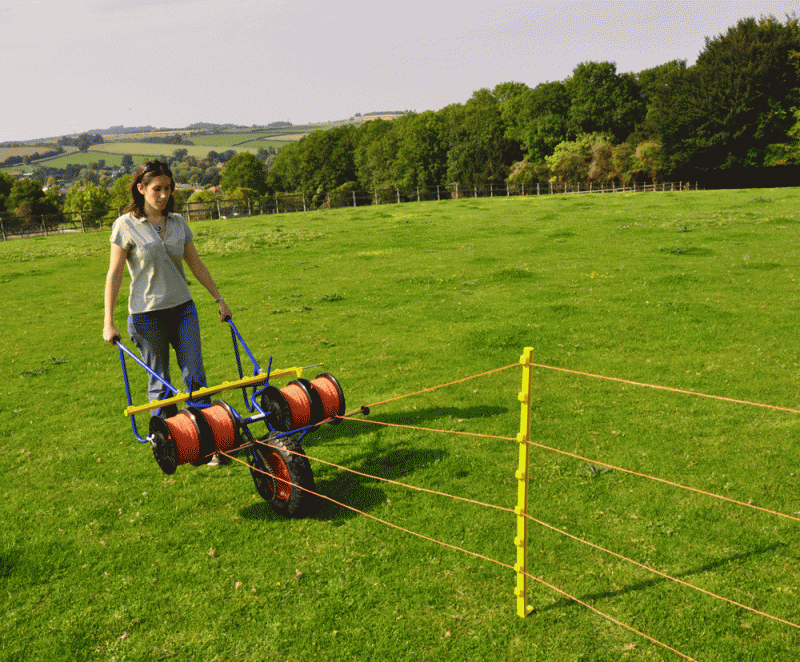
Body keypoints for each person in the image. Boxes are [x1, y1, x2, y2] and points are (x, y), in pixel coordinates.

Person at [103, 160, 232, 465]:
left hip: (183, 309)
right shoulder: (125, 225)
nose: (163, 195)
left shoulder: (177, 223)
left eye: (167, 188)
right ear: (141, 189)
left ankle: (209, 445)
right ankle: (175, 445)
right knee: (161, 383)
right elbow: (115, 274)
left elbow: (196, 265)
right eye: (156, 189)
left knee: (196, 377)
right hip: (146, 316)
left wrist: (219, 299)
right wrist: (108, 321)